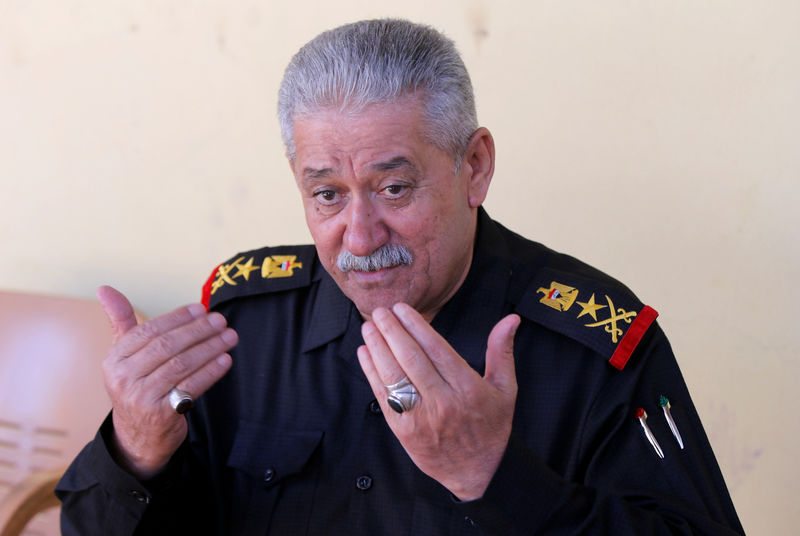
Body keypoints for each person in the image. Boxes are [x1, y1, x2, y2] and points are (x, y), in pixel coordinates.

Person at [56, 18, 744, 535]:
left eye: (393, 188)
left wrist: (497, 479)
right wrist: (135, 453)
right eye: (326, 195)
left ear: (473, 166)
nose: (359, 237)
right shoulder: (242, 326)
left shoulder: (593, 346)